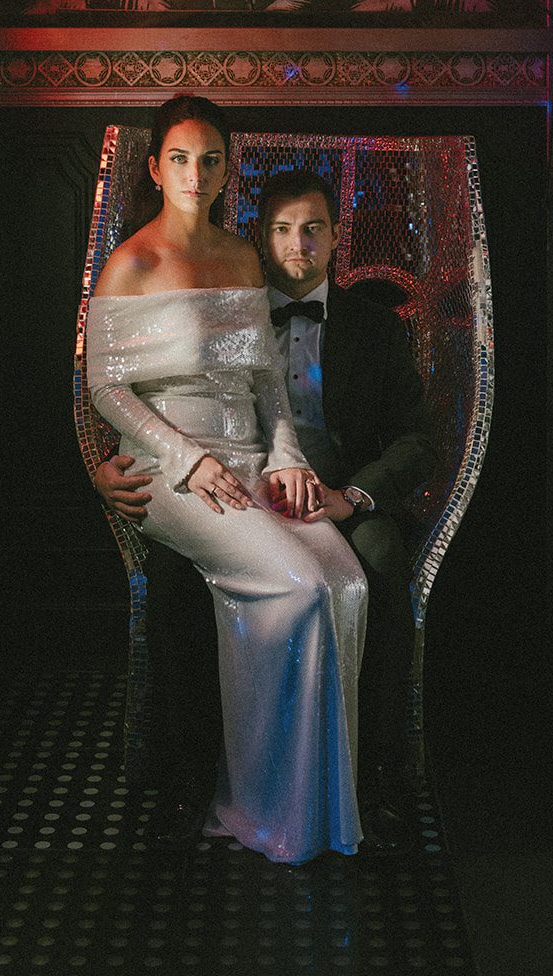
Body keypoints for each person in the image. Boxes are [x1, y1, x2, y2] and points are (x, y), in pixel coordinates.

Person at [95, 165, 432, 852]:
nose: (298, 245)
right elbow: (144, 387)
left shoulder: (375, 329)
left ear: (337, 237)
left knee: (376, 565)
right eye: (282, 229)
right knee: (170, 574)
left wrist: (355, 495)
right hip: (234, 483)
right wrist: (110, 465)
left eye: (313, 229)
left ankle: (373, 775)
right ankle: (189, 772)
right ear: (261, 238)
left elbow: (416, 438)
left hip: (336, 493)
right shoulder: (224, 306)